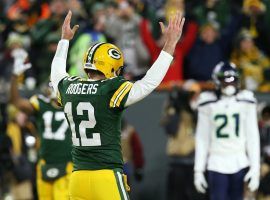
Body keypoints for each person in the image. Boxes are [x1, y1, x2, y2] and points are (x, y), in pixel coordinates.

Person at [50, 10, 185, 200]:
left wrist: (64, 40)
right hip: (106, 177)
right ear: (111, 66)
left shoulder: (68, 86)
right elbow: (148, 83)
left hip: (78, 177)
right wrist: (170, 44)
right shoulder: (110, 88)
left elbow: (56, 73)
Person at [10, 48, 72, 200]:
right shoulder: (41, 103)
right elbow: (16, 102)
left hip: (67, 162)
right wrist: (14, 76)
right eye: (52, 83)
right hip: (45, 162)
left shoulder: (74, 105)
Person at [194, 62, 260, 200]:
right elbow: (202, 138)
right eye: (225, 80)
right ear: (217, 80)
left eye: (233, 79)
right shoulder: (208, 103)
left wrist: (255, 167)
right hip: (216, 161)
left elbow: (252, 136)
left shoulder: (245, 101)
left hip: (240, 160)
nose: (230, 84)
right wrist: (198, 169)